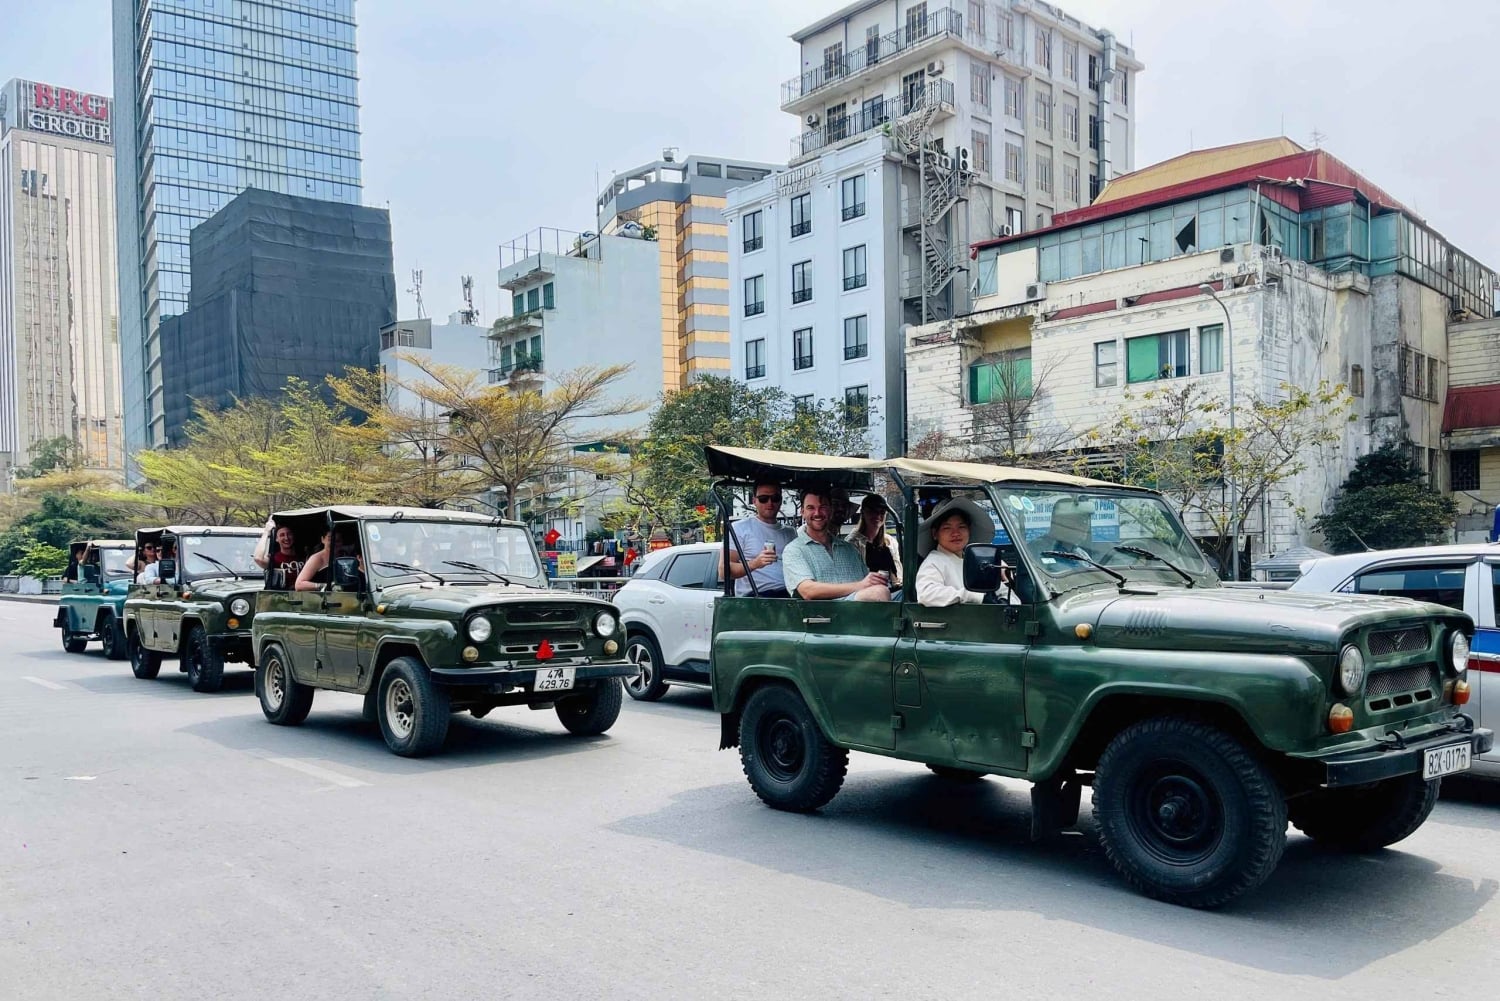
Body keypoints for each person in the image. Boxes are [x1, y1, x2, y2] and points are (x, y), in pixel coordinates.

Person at [782, 488, 890, 602]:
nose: (817, 513)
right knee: (879, 593)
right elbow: (808, 591)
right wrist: (860, 585)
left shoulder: (849, 549)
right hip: (823, 615)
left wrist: (875, 580)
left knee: (906, 595)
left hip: (859, 610)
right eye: (811, 508)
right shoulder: (794, 549)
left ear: (830, 510)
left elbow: (867, 583)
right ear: (802, 512)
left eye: (823, 507)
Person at [915, 498, 1015, 607]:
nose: (956, 533)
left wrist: (1005, 600)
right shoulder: (934, 561)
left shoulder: (976, 561)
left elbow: (1003, 591)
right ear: (935, 533)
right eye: (947, 528)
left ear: (969, 530)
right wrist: (974, 596)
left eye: (961, 527)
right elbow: (927, 594)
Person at [722, 480, 796, 597]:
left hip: (789, 595)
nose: (770, 503)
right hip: (756, 599)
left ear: (781, 501)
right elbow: (724, 571)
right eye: (763, 499)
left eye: (775, 498)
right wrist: (754, 564)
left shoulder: (790, 532)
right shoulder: (739, 528)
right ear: (754, 501)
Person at [846, 494, 903, 589]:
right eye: (872, 511)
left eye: (882, 512)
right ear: (863, 513)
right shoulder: (852, 543)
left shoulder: (890, 541)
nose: (877, 515)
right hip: (865, 593)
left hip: (890, 590)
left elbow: (897, 576)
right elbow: (853, 578)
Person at [1031, 498, 1097, 561]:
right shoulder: (1036, 549)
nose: (1085, 527)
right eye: (1080, 521)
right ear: (1059, 521)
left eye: (1086, 521)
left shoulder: (1082, 554)